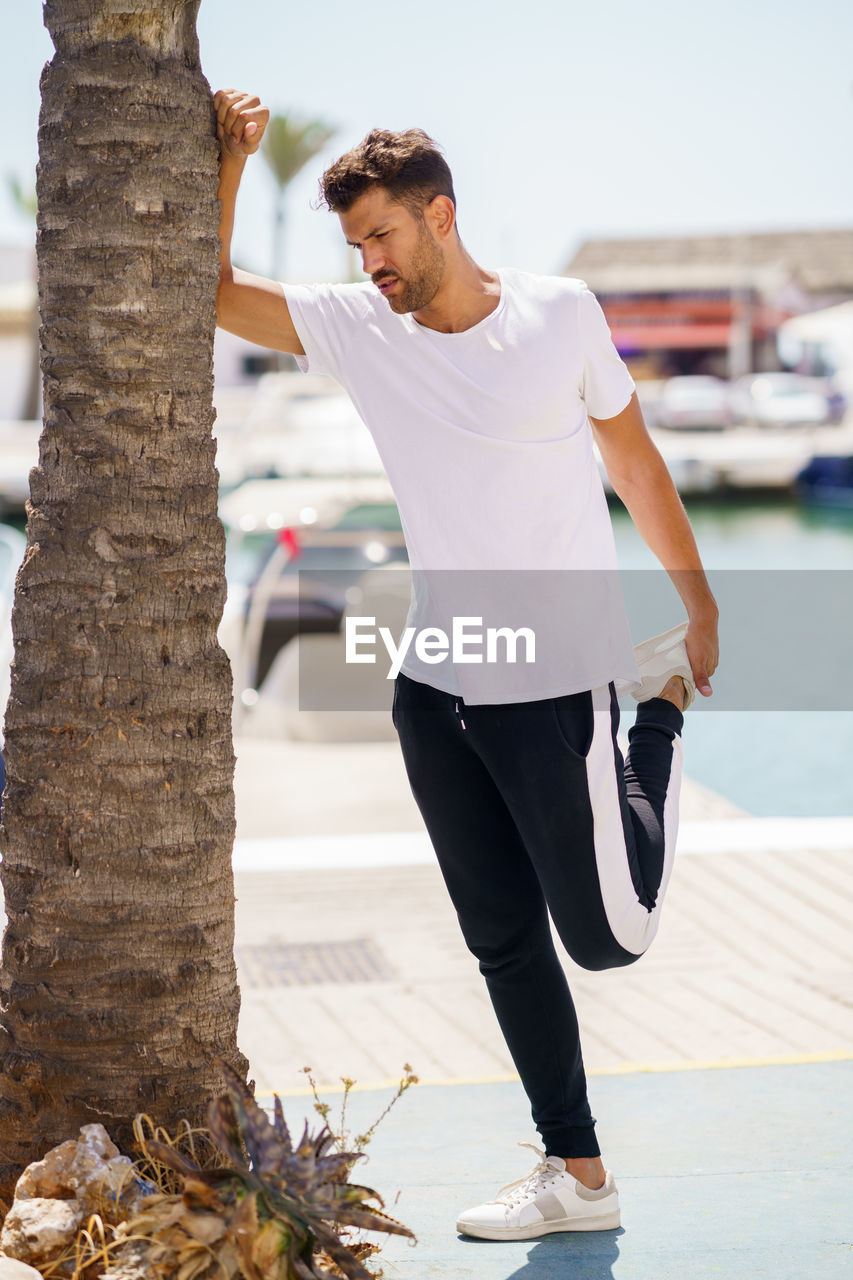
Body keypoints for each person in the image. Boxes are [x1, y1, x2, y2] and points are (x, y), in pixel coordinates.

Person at [213, 89, 720, 1242]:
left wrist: (694, 605)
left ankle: (661, 722)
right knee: (500, 936)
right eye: (355, 246)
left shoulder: (560, 314)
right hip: (436, 686)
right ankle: (578, 1175)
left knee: (607, 936)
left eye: (382, 235)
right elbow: (216, 292)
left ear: (441, 214)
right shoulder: (360, 325)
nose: (370, 262)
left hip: (560, 681)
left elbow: (635, 466)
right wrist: (236, 163)